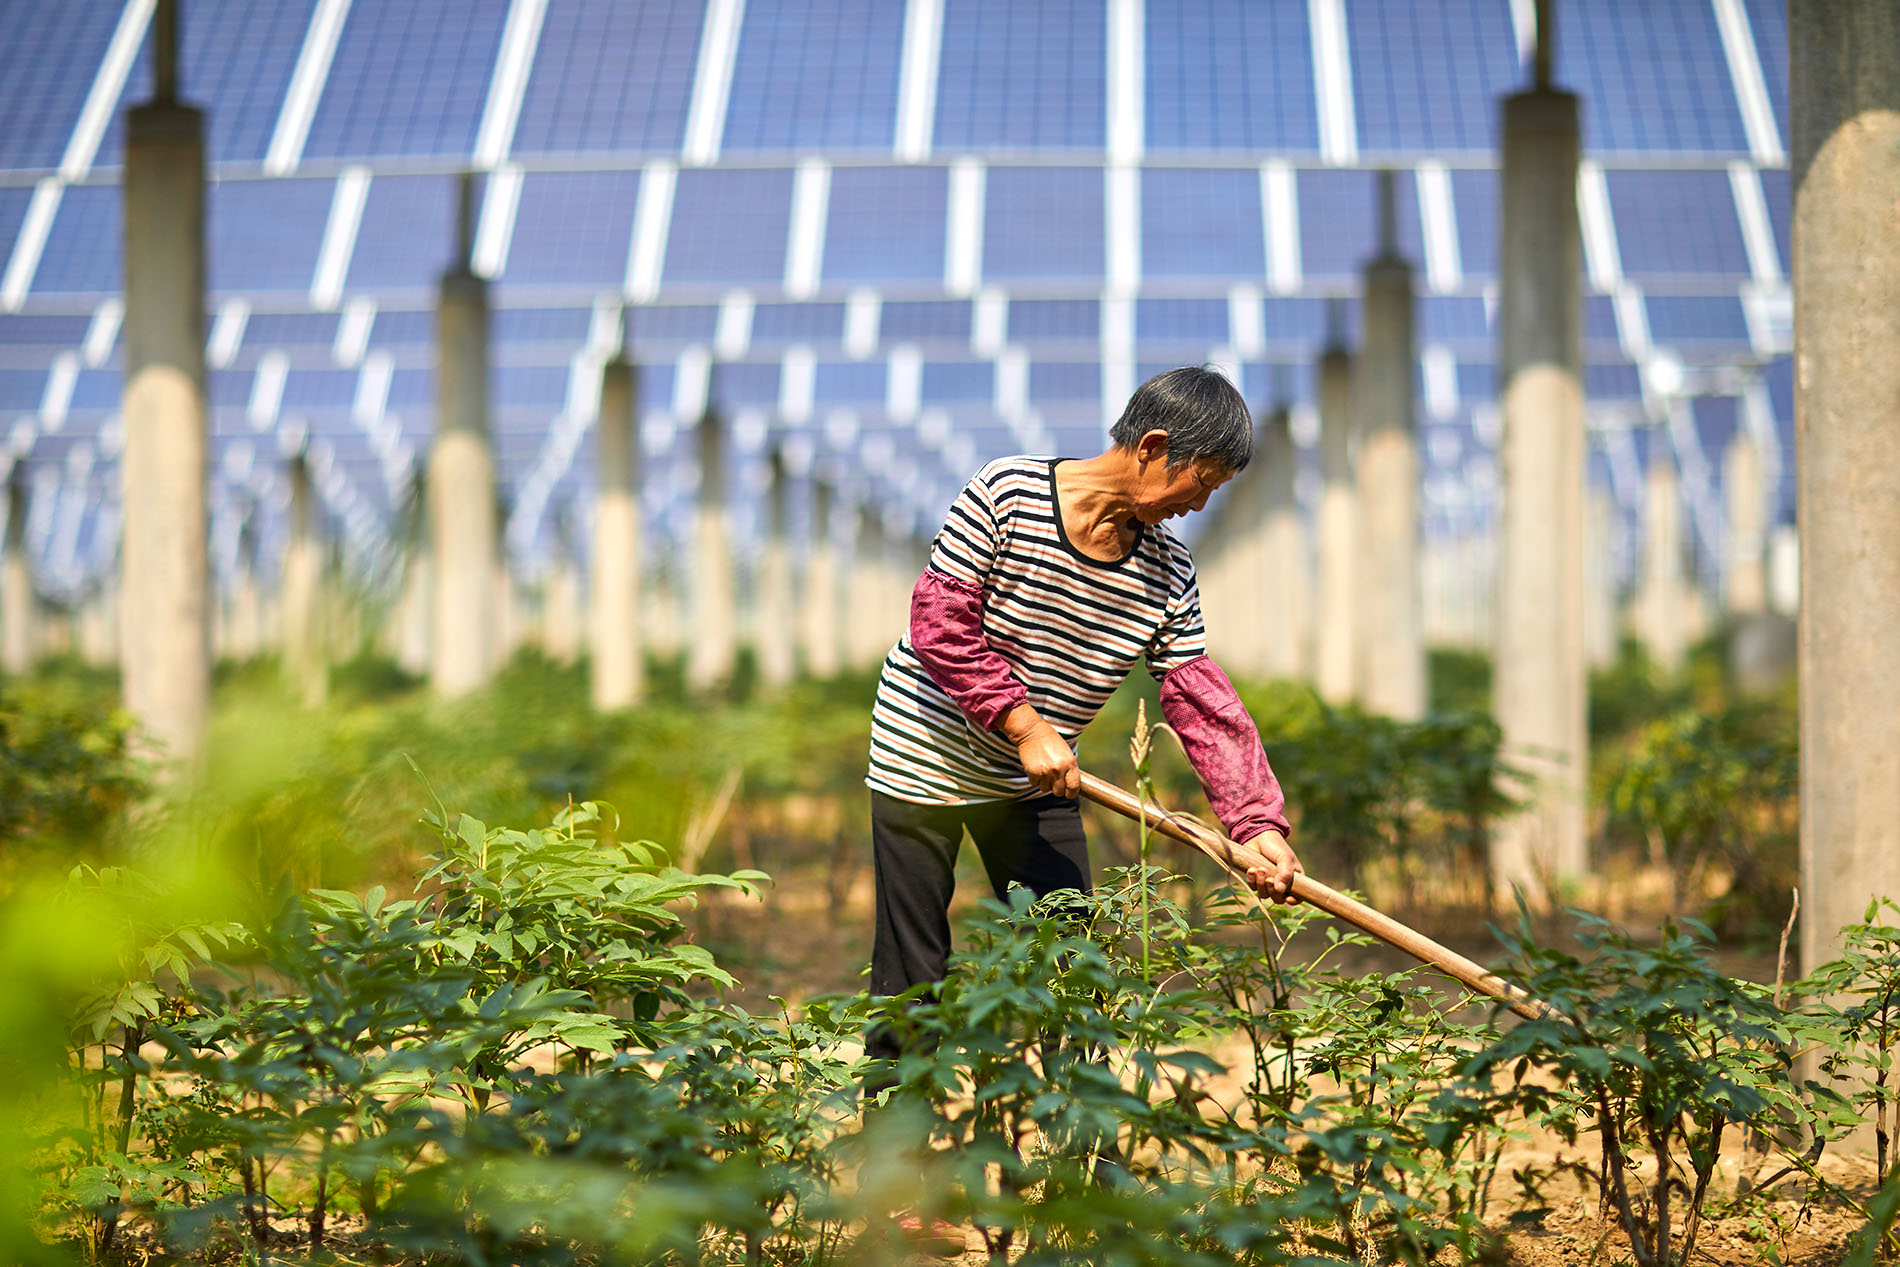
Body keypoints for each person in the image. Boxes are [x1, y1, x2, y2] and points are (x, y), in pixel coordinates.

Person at [863, 366, 1303, 1076]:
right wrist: (1024, 724)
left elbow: (1198, 696)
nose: (1199, 505)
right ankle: (894, 1145)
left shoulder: (1167, 573)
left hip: (1040, 782)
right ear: (1154, 446)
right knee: (913, 965)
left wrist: (1257, 823)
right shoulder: (1006, 492)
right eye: (1203, 481)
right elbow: (939, 621)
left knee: (1073, 960)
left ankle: (1083, 1150)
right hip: (924, 757)